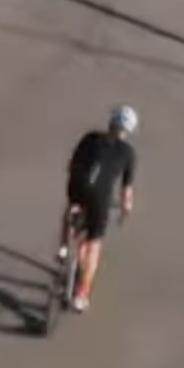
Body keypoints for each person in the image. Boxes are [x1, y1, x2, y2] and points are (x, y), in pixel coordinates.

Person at [57, 105, 138, 312]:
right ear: (129, 130)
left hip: (78, 185)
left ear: (111, 121)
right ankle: (81, 295)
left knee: (73, 206)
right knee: (94, 243)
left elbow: (71, 164)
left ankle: (64, 249)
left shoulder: (91, 137)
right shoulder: (129, 154)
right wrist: (125, 209)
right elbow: (126, 191)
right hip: (101, 198)